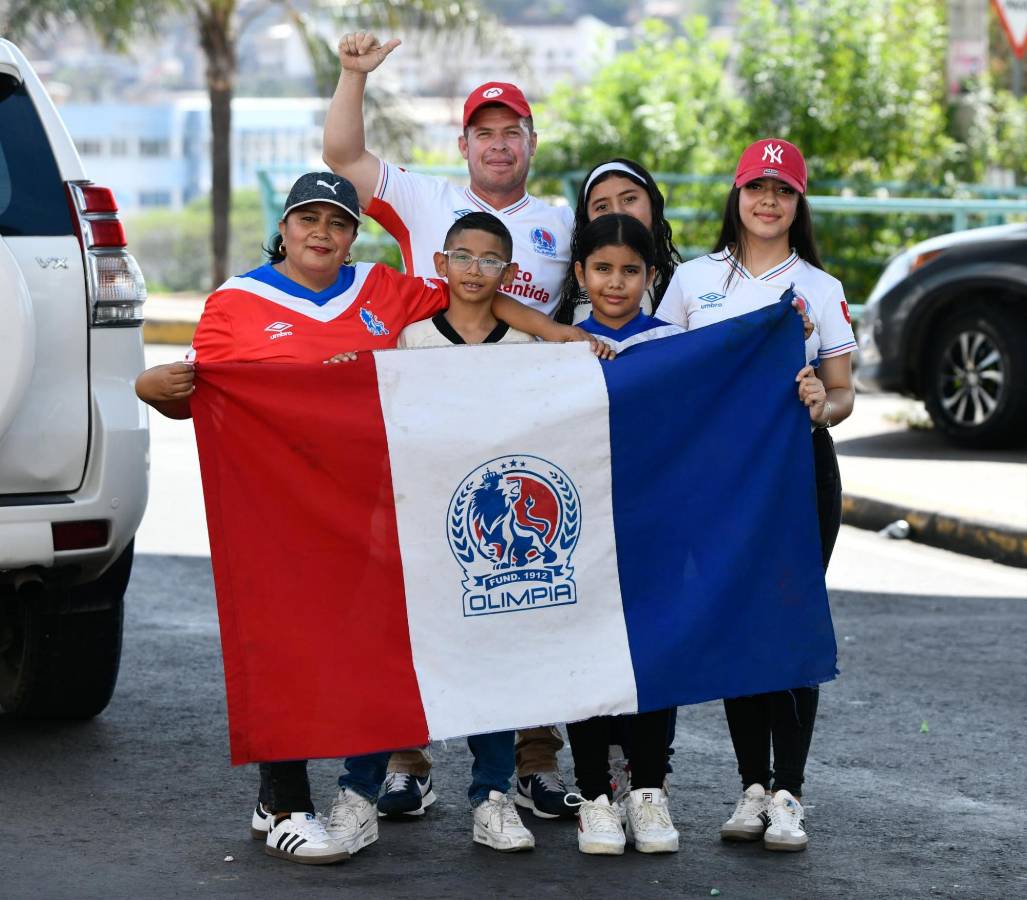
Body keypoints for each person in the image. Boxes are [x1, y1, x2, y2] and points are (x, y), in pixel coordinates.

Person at [134, 172, 597, 864]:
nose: (321, 233)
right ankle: (284, 797)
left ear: (354, 235)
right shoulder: (236, 302)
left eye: (337, 222)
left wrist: (559, 334)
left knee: (369, 650)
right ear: (284, 227)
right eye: (306, 219)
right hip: (284, 506)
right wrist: (152, 387)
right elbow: (202, 391)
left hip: (384, 505)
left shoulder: (384, 290)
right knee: (286, 643)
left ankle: (388, 791)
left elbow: (478, 300)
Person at [322, 30, 577, 818]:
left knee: (524, 592)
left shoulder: (563, 221)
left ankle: (533, 761)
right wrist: (352, 75)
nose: (498, 147)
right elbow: (343, 157)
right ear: (461, 143)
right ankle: (407, 756)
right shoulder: (427, 199)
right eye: (484, 134)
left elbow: (617, 292)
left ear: (530, 143)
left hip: (528, 431)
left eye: (512, 134)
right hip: (427, 429)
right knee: (420, 588)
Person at [656, 138, 856, 852]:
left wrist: (816, 402)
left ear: (797, 204)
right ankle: (749, 787)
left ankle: (788, 794)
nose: (767, 202)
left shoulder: (820, 288)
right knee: (739, 620)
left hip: (797, 471)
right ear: (735, 196)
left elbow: (843, 395)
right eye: (755, 188)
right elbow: (667, 373)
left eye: (783, 191)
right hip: (719, 479)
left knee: (790, 622)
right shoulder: (692, 280)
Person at [563, 213, 683, 856]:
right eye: (603, 269)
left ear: (651, 275)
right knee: (586, 660)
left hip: (652, 532)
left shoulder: (674, 344)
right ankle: (595, 798)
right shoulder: (555, 348)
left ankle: (650, 790)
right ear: (580, 274)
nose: (616, 283)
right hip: (579, 537)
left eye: (631, 270)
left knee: (654, 658)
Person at [556, 158, 683, 325]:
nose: (618, 212)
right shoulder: (565, 279)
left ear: (653, 203)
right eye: (602, 207)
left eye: (629, 199)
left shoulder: (683, 279)